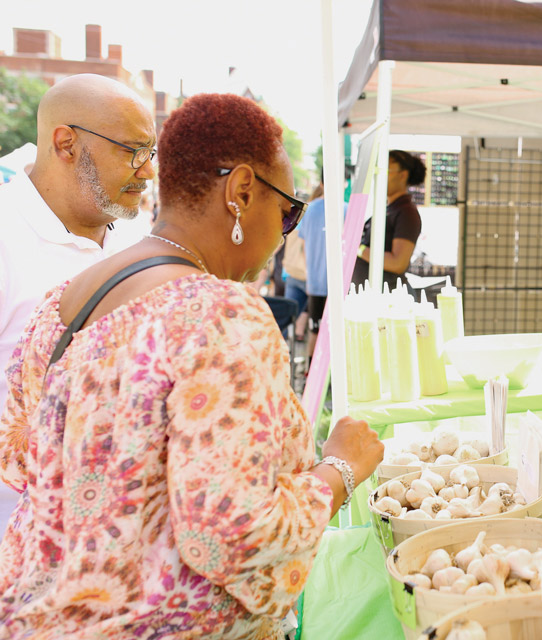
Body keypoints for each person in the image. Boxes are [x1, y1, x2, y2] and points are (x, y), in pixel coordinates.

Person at [0, 93, 383, 637]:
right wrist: (339, 471)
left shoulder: (65, 301)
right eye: (288, 211)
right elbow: (234, 537)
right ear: (242, 191)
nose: (283, 234)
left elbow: (19, 459)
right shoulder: (221, 316)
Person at [0, 73, 157, 538]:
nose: (147, 170)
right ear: (66, 144)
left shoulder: (132, 233)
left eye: (151, 153)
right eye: (132, 150)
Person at [352, 150, 426, 289]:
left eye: (386, 171)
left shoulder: (406, 212)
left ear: (403, 175)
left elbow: (398, 263)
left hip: (389, 300)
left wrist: (358, 248)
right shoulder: (389, 208)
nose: (379, 176)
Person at [298, 184, 329, 357]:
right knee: (326, 332)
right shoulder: (347, 209)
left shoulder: (309, 210)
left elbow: (303, 246)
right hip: (333, 285)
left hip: (315, 282)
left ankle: (312, 376)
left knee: (315, 331)